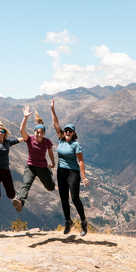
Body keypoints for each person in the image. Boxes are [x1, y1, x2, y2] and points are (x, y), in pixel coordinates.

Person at [51, 99, 89, 236]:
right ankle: (68, 222)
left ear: (73, 133)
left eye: (70, 131)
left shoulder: (76, 145)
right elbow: (56, 124)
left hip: (73, 173)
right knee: (63, 198)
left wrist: (83, 177)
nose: (67, 132)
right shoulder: (60, 139)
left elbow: (81, 162)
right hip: (61, 172)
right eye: (66, 130)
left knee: (75, 198)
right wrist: (52, 110)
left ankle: (84, 222)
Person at [12, 105, 55, 212]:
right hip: (30, 166)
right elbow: (21, 130)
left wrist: (53, 163)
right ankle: (20, 200)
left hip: (42, 168)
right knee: (26, 184)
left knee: (50, 187)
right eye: (37, 132)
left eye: (41, 132)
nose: (38, 134)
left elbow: (50, 152)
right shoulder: (30, 139)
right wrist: (25, 117)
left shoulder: (47, 141)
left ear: (44, 133)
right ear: (34, 131)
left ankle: (49, 174)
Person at [0, 108, 23, 210]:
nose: (0, 133)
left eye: (2, 131)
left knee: (11, 194)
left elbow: (17, 140)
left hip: (5, 171)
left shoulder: (7, 142)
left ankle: (17, 202)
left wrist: (27, 137)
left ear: (5, 133)